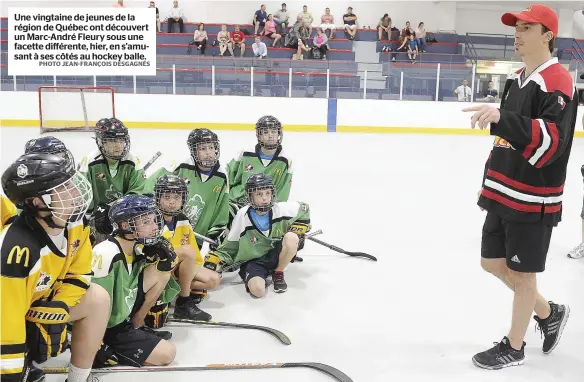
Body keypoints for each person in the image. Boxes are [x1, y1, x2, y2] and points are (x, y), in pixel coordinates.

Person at [463, 4, 577, 370]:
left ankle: (514, 347)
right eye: (517, 26)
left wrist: (502, 118)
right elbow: (508, 134)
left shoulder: (557, 79)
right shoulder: (517, 77)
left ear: (548, 35)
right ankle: (549, 313)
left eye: (528, 27)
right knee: (491, 262)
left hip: (534, 196)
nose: (518, 32)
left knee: (524, 274)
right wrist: (489, 177)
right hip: (504, 189)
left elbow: (551, 141)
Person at [0, 153, 109, 382]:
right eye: (65, 186)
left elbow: (79, 273)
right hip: (6, 322)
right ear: (38, 201)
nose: (76, 191)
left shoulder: (76, 224)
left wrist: (61, 305)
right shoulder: (16, 248)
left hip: (31, 308)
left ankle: (78, 378)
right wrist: (12, 372)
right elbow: (6, 321)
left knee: (98, 299)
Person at [91, 195, 179, 368]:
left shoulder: (137, 249)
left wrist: (164, 263)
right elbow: (95, 304)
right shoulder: (106, 253)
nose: (155, 227)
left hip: (122, 320)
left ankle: (136, 323)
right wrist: (96, 343)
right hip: (107, 327)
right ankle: (101, 348)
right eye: (146, 222)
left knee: (161, 270)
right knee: (168, 354)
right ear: (125, 226)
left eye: (154, 220)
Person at [204, 174, 310, 297]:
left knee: (292, 238)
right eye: (259, 194)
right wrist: (217, 258)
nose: (265, 198)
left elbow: (304, 208)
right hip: (254, 261)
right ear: (250, 196)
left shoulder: (281, 209)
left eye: (267, 193)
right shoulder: (242, 215)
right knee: (258, 291)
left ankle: (278, 272)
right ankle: (262, 273)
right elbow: (231, 245)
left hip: (276, 252)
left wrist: (299, 228)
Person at [148, 174, 221, 323]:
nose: (172, 202)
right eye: (167, 197)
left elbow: (194, 252)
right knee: (186, 252)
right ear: (158, 198)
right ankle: (183, 302)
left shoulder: (182, 219)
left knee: (214, 280)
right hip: (157, 270)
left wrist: (189, 271)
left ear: (183, 199)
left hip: (177, 268)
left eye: (176, 197)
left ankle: (173, 290)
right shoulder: (150, 220)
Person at [147, 129, 229, 249]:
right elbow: (153, 184)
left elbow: (221, 210)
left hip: (197, 239)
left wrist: (213, 235)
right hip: (169, 233)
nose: (208, 153)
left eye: (211, 147)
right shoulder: (182, 165)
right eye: (202, 149)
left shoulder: (222, 176)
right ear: (193, 151)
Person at [79, 117, 147, 245]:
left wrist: (112, 210)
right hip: (96, 219)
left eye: (121, 140)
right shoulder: (89, 162)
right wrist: (88, 222)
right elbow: (84, 198)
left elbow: (137, 193)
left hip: (125, 215)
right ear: (101, 142)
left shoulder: (132, 160)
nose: (118, 145)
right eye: (112, 141)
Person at [227, 116, 293, 212]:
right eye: (265, 132)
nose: (270, 136)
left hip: (264, 208)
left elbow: (282, 194)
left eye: (274, 132)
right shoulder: (245, 153)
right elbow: (229, 176)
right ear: (259, 135)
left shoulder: (285, 161)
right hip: (238, 204)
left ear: (279, 133)